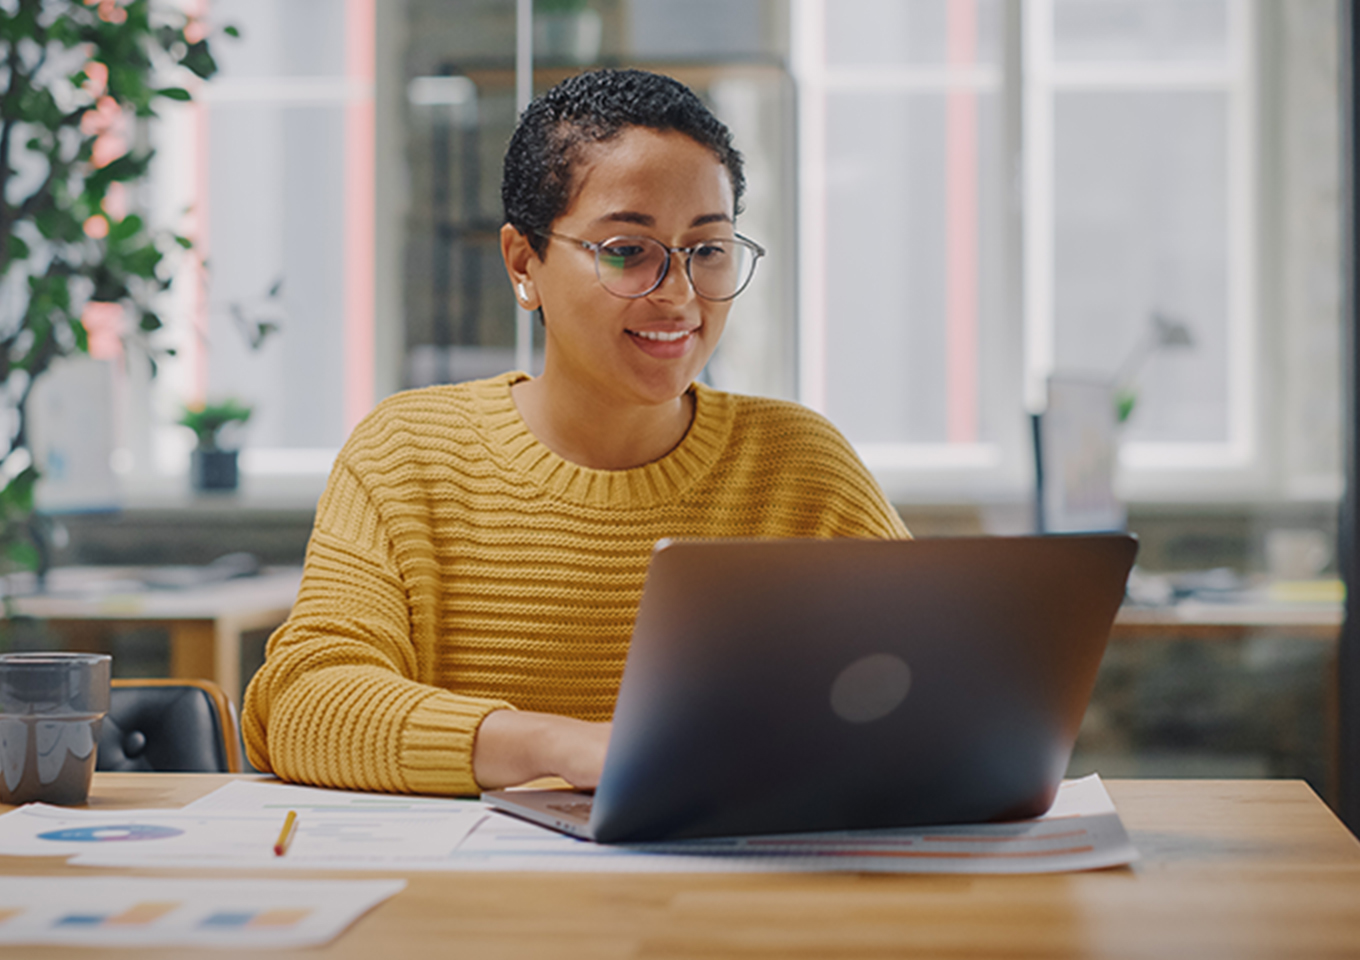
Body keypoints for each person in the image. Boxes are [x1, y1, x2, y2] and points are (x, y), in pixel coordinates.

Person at [242, 68, 908, 797]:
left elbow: (940, 690)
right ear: (524, 263)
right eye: (627, 250)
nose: (678, 295)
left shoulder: (801, 465)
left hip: (738, 862)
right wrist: (560, 746)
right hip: (483, 872)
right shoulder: (409, 454)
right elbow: (304, 704)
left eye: (708, 251)